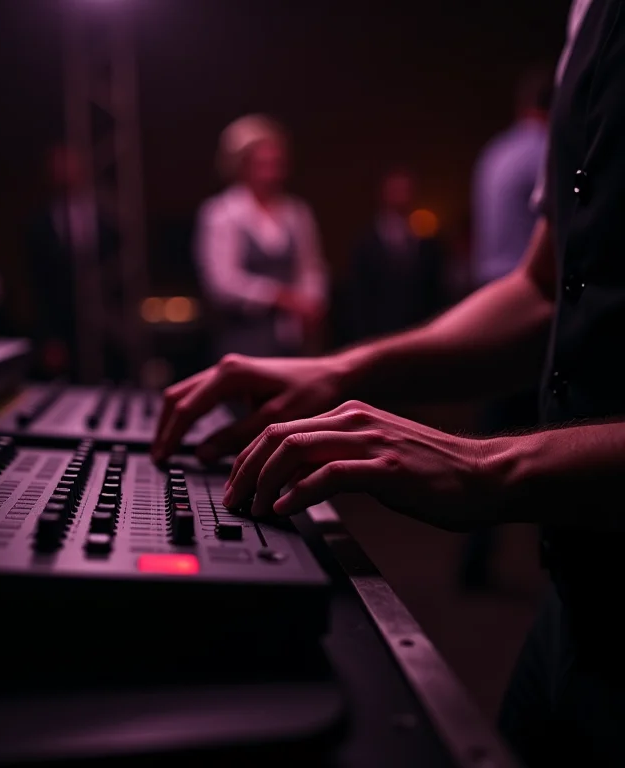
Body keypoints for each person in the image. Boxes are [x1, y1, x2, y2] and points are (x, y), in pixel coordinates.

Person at [153, 0, 625, 763]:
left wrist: (490, 465)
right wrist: (343, 370)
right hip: (575, 598)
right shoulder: (585, 18)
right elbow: (546, 287)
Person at [458, 67, 554, 590]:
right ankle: (559, 566)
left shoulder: (493, 153)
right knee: (552, 441)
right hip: (530, 307)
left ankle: (473, 561)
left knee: (491, 439)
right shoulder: (547, 150)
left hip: (488, 301)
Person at [195, 115, 329, 360]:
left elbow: (311, 266)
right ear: (242, 165)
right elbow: (222, 282)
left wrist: (311, 301)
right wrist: (280, 297)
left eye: (276, 164)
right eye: (262, 164)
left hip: (291, 339)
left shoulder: (296, 212)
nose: (271, 173)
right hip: (242, 337)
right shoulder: (222, 213)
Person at [27, 144, 122, 381]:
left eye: (69, 164)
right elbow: (38, 286)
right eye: (58, 166)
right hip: (63, 327)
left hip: (111, 323)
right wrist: (48, 338)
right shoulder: (39, 224)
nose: (64, 172)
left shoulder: (110, 216)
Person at [337, 168, 446, 345]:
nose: (401, 196)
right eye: (396, 190)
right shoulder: (365, 243)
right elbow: (358, 299)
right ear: (383, 194)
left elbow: (437, 292)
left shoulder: (428, 243)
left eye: (406, 189)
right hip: (378, 336)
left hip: (421, 336)